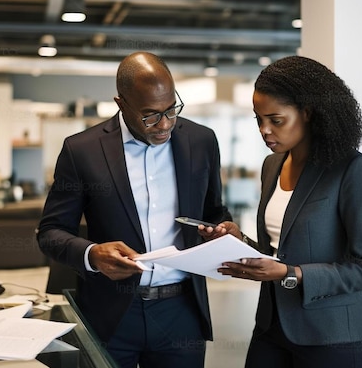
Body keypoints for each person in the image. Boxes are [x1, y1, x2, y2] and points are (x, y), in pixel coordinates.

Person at [36, 51, 232, 368]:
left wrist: (225, 230)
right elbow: (50, 233)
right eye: (151, 115)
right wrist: (92, 254)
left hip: (181, 313)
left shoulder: (202, 140)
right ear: (121, 103)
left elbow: (215, 212)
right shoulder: (82, 150)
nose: (165, 124)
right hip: (110, 316)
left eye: (172, 110)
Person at [200, 55, 362, 367]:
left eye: (276, 120)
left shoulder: (351, 169)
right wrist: (239, 240)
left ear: (308, 113)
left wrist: (293, 275)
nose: (265, 130)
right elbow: (279, 250)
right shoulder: (272, 166)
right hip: (271, 326)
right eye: (258, 119)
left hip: (329, 336)